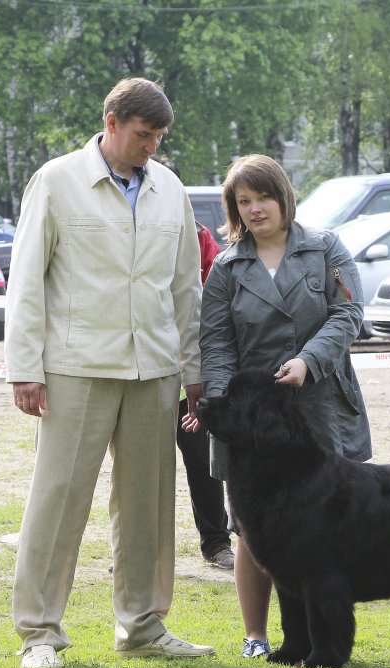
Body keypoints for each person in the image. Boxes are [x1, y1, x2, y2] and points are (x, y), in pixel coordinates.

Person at [4, 77, 214, 668]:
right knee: (59, 499)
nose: (151, 146)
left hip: (154, 370)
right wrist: (25, 367)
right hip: (75, 367)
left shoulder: (170, 188)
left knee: (149, 504)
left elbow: (184, 288)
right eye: (143, 134)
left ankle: (143, 625)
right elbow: (26, 280)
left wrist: (192, 369)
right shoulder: (56, 180)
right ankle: (39, 632)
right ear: (112, 120)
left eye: (159, 137)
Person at [195, 153, 372, 658]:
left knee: (328, 518)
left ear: (283, 196)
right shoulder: (227, 267)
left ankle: (324, 635)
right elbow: (216, 343)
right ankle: (256, 636)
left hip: (318, 404)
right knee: (250, 527)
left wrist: (308, 361)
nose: (254, 209)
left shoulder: (325, 248)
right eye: (243, 201)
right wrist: (224, 410)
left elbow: (348, 314)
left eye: (262, 197)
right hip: (252, 422)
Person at [152, 154, 234, 571]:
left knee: (203, 461)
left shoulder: (201, 238)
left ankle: (216, 542)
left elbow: (211, 309)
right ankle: (140, 552)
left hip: (191, 375)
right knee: (142, 471)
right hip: (142, 373)